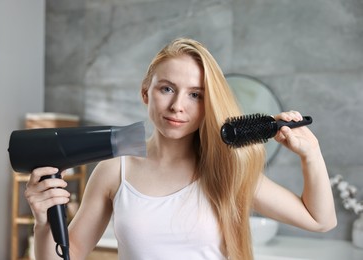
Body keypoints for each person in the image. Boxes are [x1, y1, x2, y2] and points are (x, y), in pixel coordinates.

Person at [25, 38, 337, 260]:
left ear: (208, 104)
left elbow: (320, 220)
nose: (177, 106)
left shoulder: (227, 170)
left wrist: (312, 154)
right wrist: (43, 221)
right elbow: (70, 254)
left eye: (195, 95)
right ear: (146, 93)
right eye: (167, 89)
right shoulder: (114, 171)